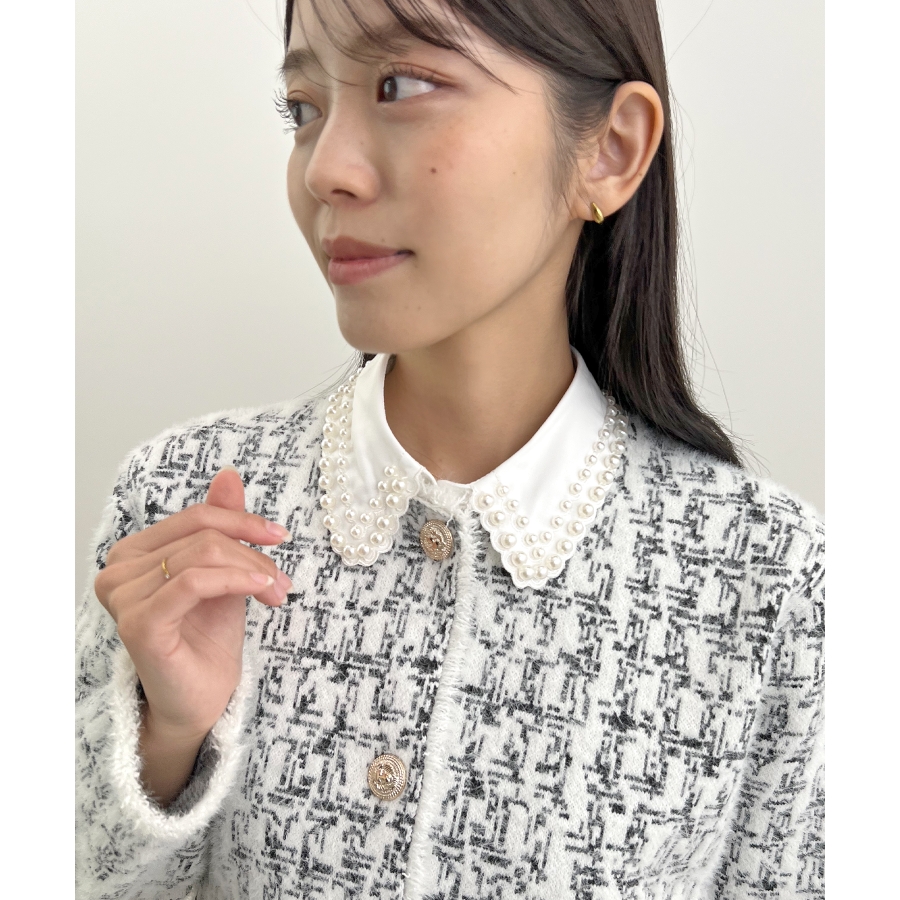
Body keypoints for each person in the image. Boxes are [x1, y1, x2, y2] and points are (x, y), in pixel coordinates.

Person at [75, 0, 825, 897]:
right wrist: (167, 739)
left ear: (610, 150)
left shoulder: (770, 584)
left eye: (403, 85)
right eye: (303, 108)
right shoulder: (181, 502)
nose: (326, 170)